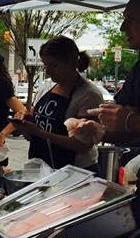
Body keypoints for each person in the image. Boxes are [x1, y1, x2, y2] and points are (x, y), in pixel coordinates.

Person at [81, 0, 140, 238]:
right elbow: (130, 130)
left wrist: (133, 121)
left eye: (132, 20)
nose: (122, 27)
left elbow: (136, 122)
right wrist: (100, 130)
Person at [10, 36, 102, 170]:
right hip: (42, 168)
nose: (48, 71)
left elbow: (82, 145)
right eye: (45, 65)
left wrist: (40, 133)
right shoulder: (45, 88)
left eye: (54, 65)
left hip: (76, 173)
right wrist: (24, 123)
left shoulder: (89, 95)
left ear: (71, 62)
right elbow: (32, 135)